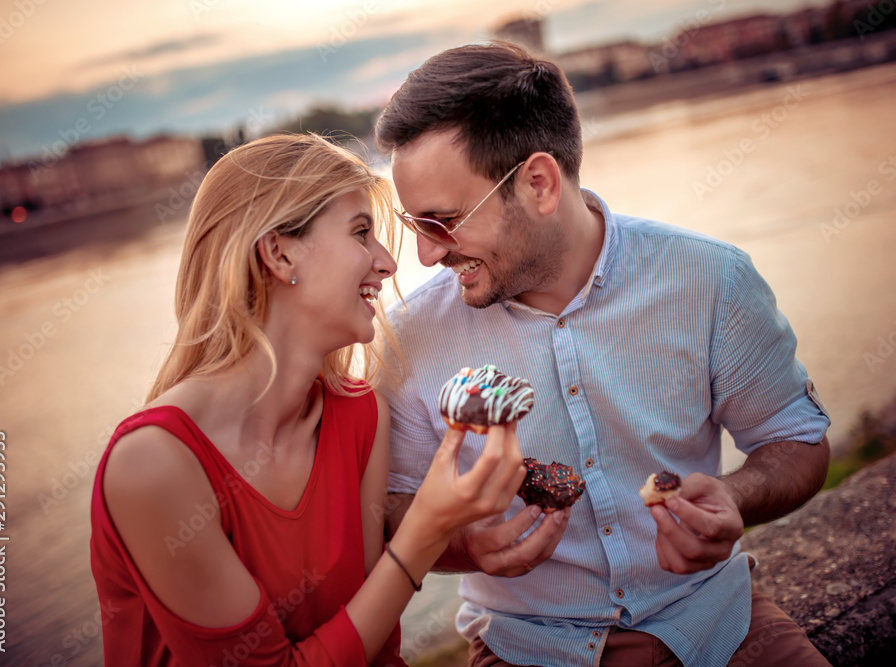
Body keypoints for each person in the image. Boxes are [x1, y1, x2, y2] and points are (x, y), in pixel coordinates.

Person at [373, 42, 834, 667]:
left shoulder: (713, 280)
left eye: (443, 222)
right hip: (523, 648)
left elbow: (796, 438)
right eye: (413, 225)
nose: (426, 255)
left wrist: (738, 495)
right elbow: (392, 511)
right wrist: (467, 546)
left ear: (538, 183)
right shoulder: (407, 338)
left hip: (719, 622)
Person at [89, 133, 527, 666]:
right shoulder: (153, 465)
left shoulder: (362, 414)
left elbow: (375, 648)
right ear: (278, 252)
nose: (388, 263)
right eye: (361, 233)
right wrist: (424, 532)